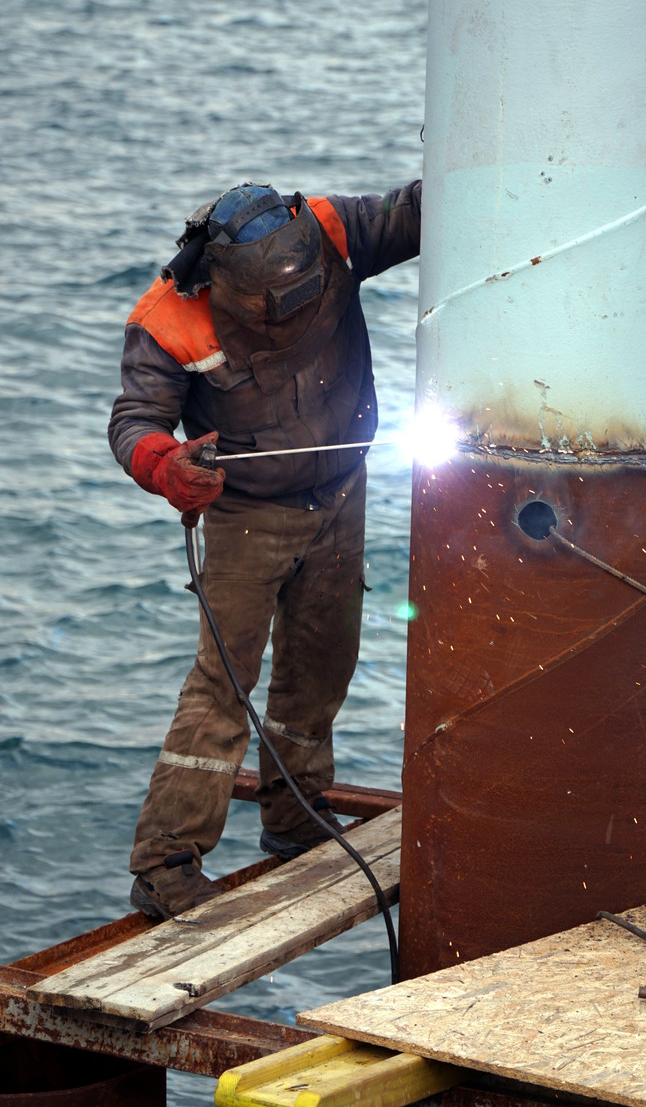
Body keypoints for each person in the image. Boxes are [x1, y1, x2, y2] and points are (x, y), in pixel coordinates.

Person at [108, 180, 421, 919]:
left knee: (322, 663)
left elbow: (421, 209)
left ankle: (294, 819)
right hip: (249, 516)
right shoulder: (169, 321)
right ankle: (166, 864)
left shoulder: (336, 230)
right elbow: (134, 418)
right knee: (225, 683)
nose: (294, 305)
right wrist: (164, 465)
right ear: (221, 283)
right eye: (273, 301)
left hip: (342, 493)